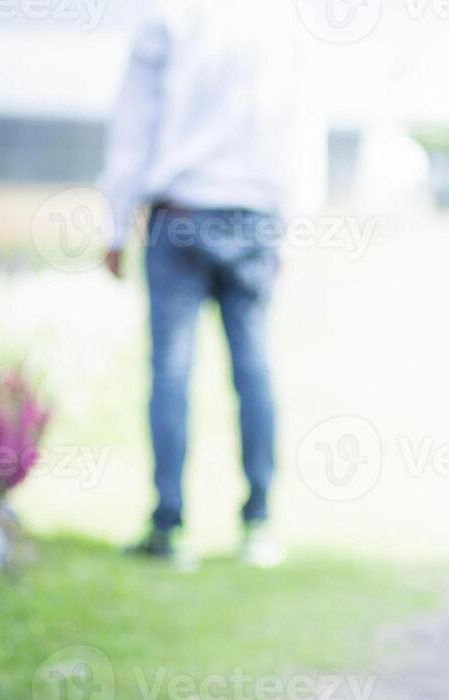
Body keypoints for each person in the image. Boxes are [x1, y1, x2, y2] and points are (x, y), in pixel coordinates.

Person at [95, 0, 326, 569]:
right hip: (254, 217)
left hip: (180, 213)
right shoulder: (287, 18)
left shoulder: (167, 14)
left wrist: (116, 221)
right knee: (254, 369)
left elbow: (135, 121)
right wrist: (294, 227)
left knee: (171, 371)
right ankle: (259, 522)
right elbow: (303, 123)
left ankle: (168, 526)